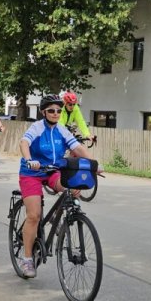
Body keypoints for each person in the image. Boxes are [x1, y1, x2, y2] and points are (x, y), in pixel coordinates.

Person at [18, 95, 99, 278]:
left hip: (53, 171)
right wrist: (29, 160)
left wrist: (95, 164)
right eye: (51, 110)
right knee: (34, 215)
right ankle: (27, 259)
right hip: (32, 173)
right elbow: (24, 143)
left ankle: (57, 214)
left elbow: (77, 148)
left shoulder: (62, 130)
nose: (56, 113)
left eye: (58, 110)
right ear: (43, 112)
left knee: (74, 187)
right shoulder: (37, 127)